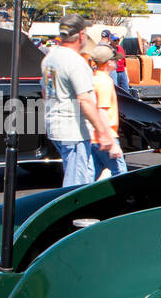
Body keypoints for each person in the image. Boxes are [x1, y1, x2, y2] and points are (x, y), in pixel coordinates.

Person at [41, 13, 114, 187]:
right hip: (73, 130)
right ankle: (73, 214)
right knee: (76, 183)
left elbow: (45, 91)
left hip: (56, 125)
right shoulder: (75, 62)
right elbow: (85, 99)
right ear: (81, 35)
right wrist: (102, 131)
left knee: (83, 173)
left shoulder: (49, 58)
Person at [87, 43, 127, 178]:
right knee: (120, 173)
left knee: (92, 174)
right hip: (104, 135)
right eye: (115, 59)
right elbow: (102, 112)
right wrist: (110, 141)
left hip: (92, 137)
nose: (117, 61)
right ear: (108, 62)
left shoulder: (93, 79)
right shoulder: (105, 82)